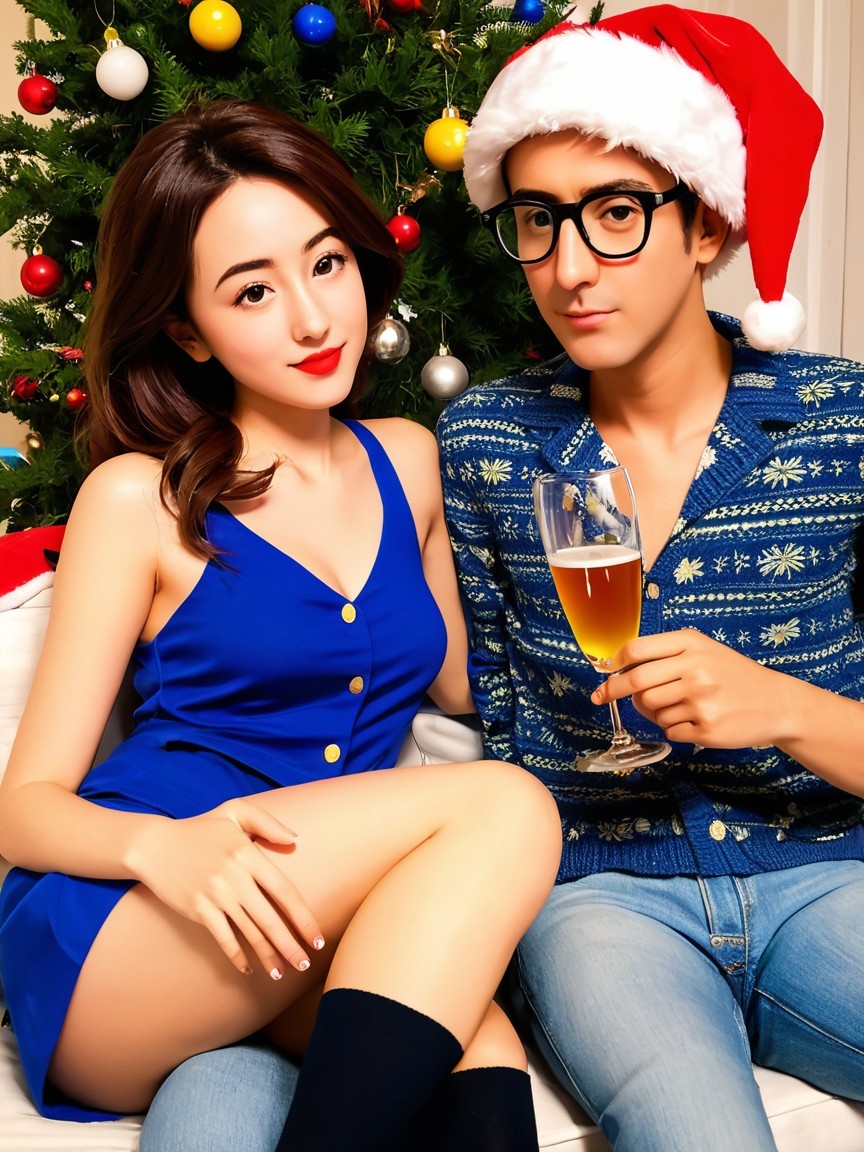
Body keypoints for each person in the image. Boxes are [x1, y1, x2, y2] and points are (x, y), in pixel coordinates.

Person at [0, 100, 562, 1151]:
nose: (312, 318)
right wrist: (162, 850)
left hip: (306, 911)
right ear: (186, 329)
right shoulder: (139, 499)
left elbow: (460, 687)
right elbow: (22, 810)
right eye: (252, 291)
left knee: (481, 1042)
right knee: (508, 804)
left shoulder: (409, 460)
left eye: (327, 264)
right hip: (130, 927)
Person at [434, 5, 864, 1150]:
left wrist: (783, 708)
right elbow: (500, 736)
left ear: (707, 223)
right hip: (601, 904)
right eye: (539, 220)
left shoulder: (844, 422)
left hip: (828, 874)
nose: (570, 268)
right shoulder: (487, 441)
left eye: (616, 213)